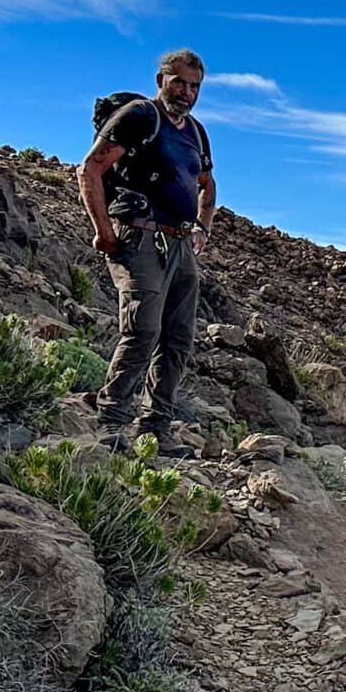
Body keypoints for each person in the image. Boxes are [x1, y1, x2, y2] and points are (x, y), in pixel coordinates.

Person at [81, 48, 216, 456]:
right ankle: (111, 422)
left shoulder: (195, 131)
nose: (186, 92)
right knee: (143, 329)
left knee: (178, 339)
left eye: (194, 86)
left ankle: (157, 428)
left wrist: (202, 229)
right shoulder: (141, 116)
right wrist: (104, 232)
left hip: (179, 242)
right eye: (178, 82)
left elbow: (207, 185)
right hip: (136, 235)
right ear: (160, 81)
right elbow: (90, 168)